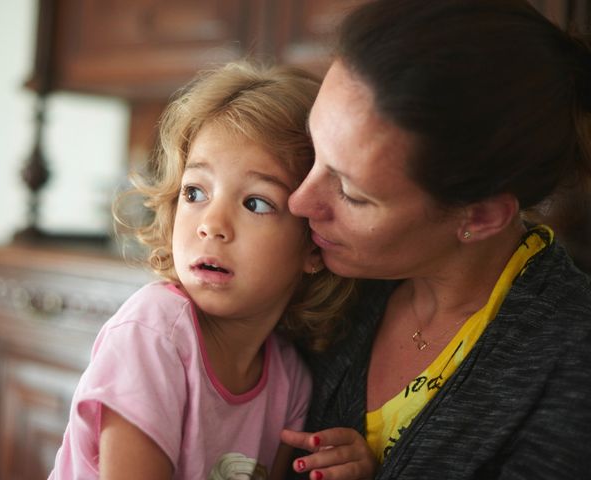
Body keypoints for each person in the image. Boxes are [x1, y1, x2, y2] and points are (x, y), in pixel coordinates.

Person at [280, 0, 591, 479]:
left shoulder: (573, 363)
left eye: (351, 193)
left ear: (482, 215)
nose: (299, 202)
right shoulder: (330, 280)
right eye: (314, 151)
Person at [48, 61, 355, 480]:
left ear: (314, 243)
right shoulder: (154, 332)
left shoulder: (291, 381)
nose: (212, 224)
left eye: (256, 203)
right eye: (195, 192)